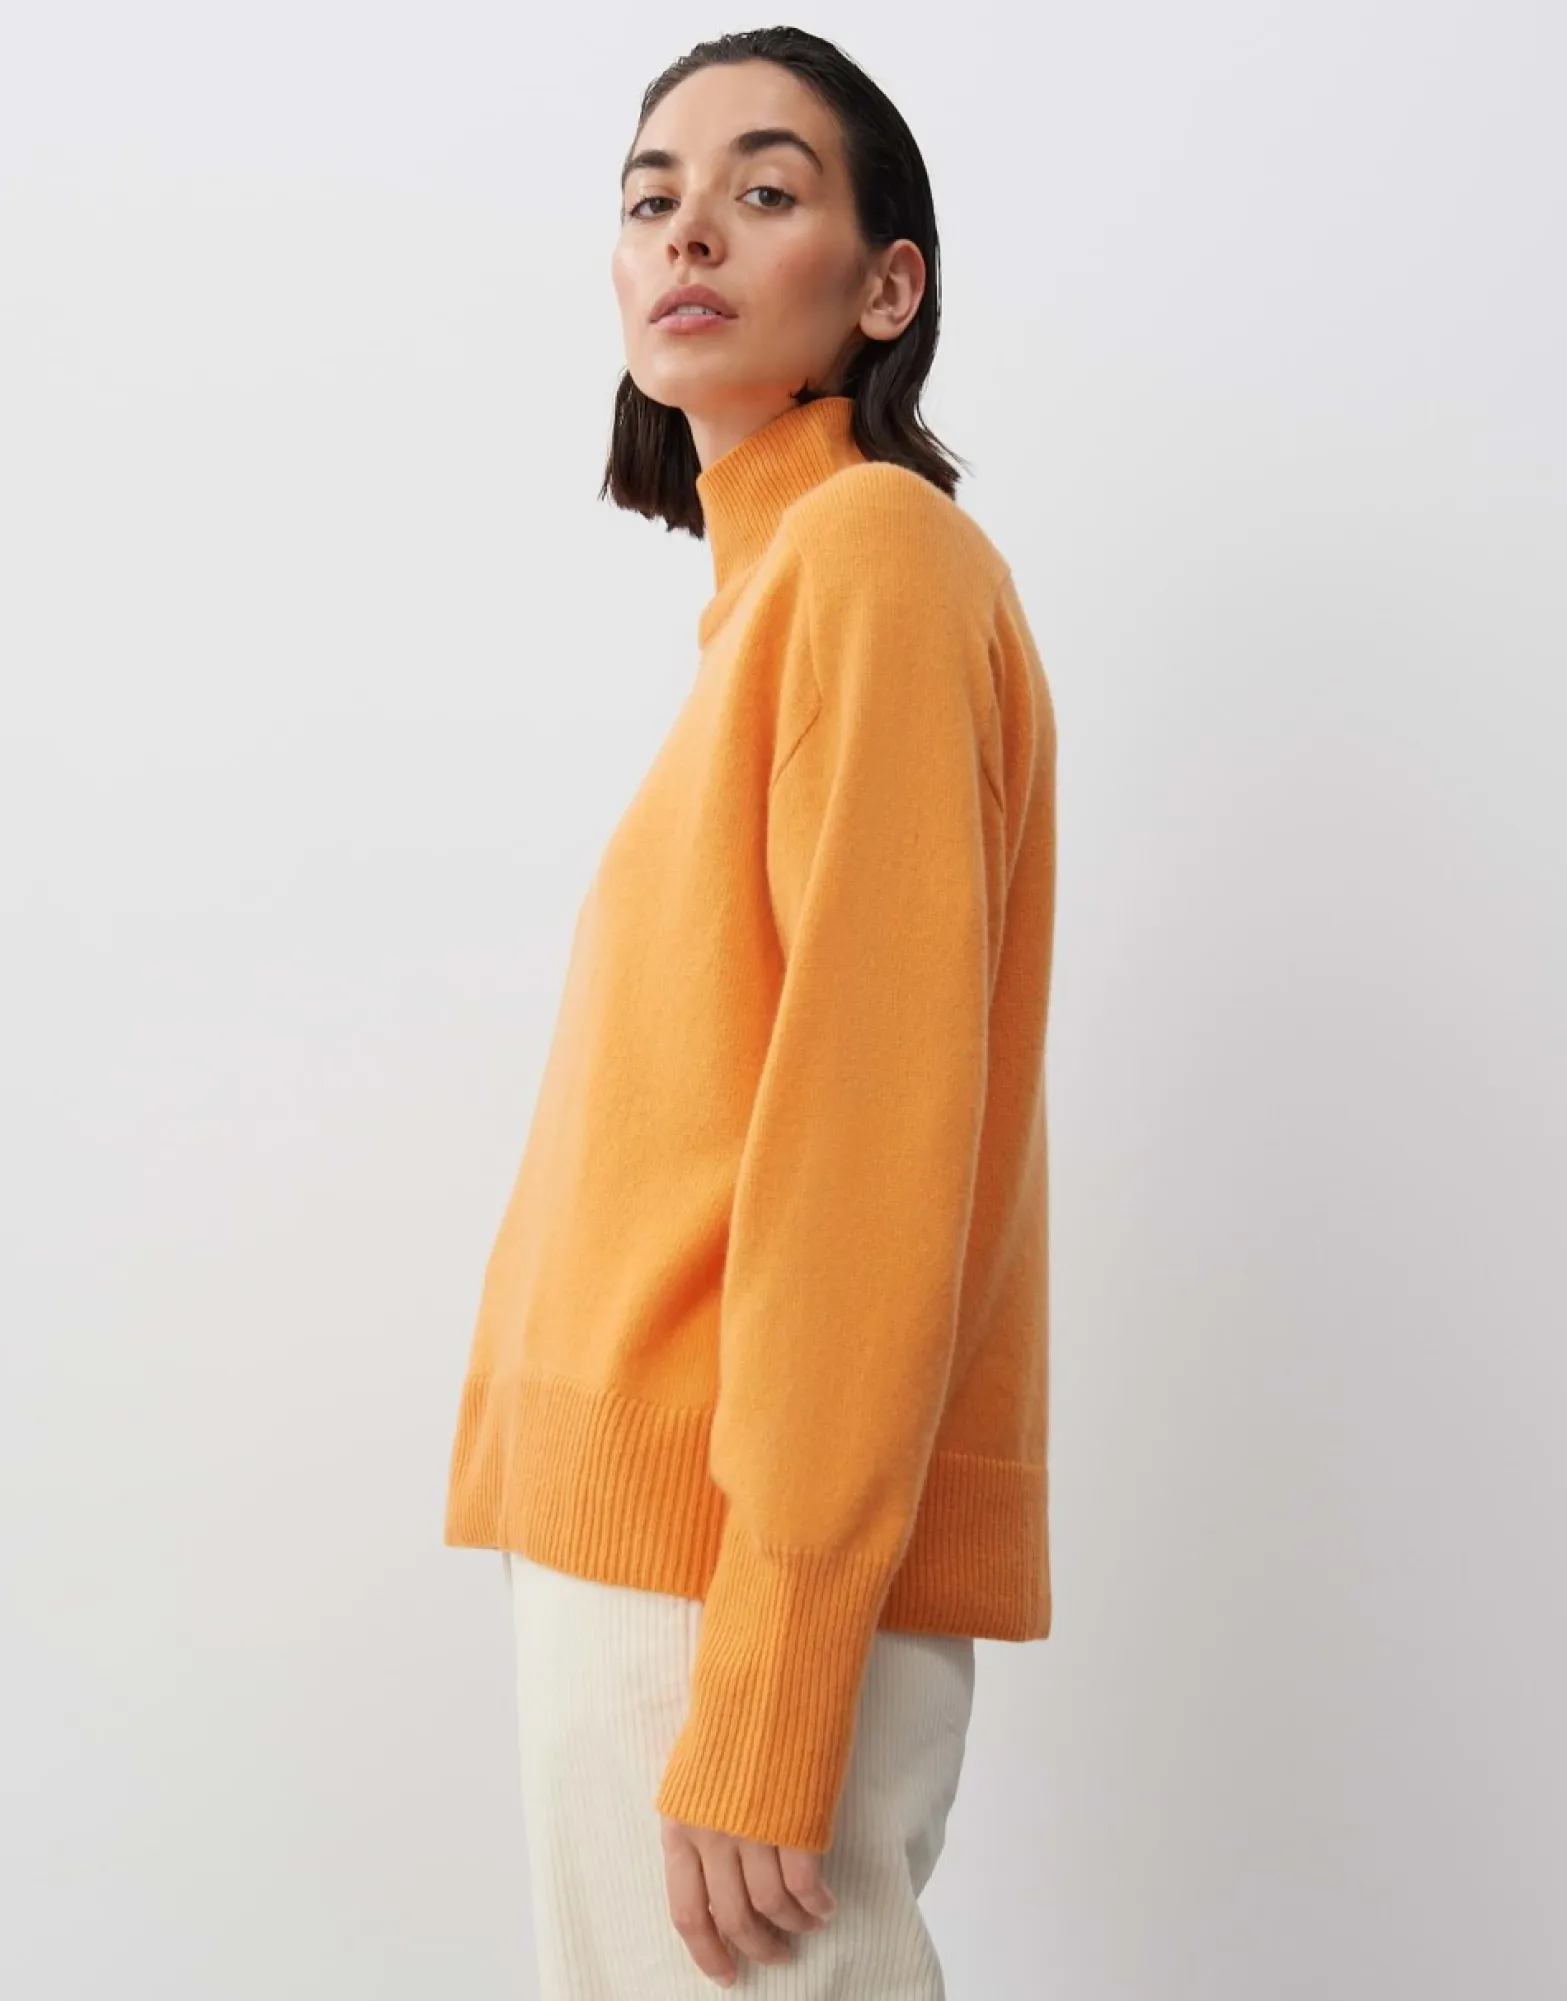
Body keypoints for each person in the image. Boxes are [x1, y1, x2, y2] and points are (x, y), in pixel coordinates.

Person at [444, 25, 1058, 1997]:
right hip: (660, 1553)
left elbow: (869, 1145)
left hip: (721, 1567)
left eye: (764, 188)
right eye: (651, 197)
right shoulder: (774, 601)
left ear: (888, 288)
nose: (688, 227)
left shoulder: (875, 558)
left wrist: (778, 1658)